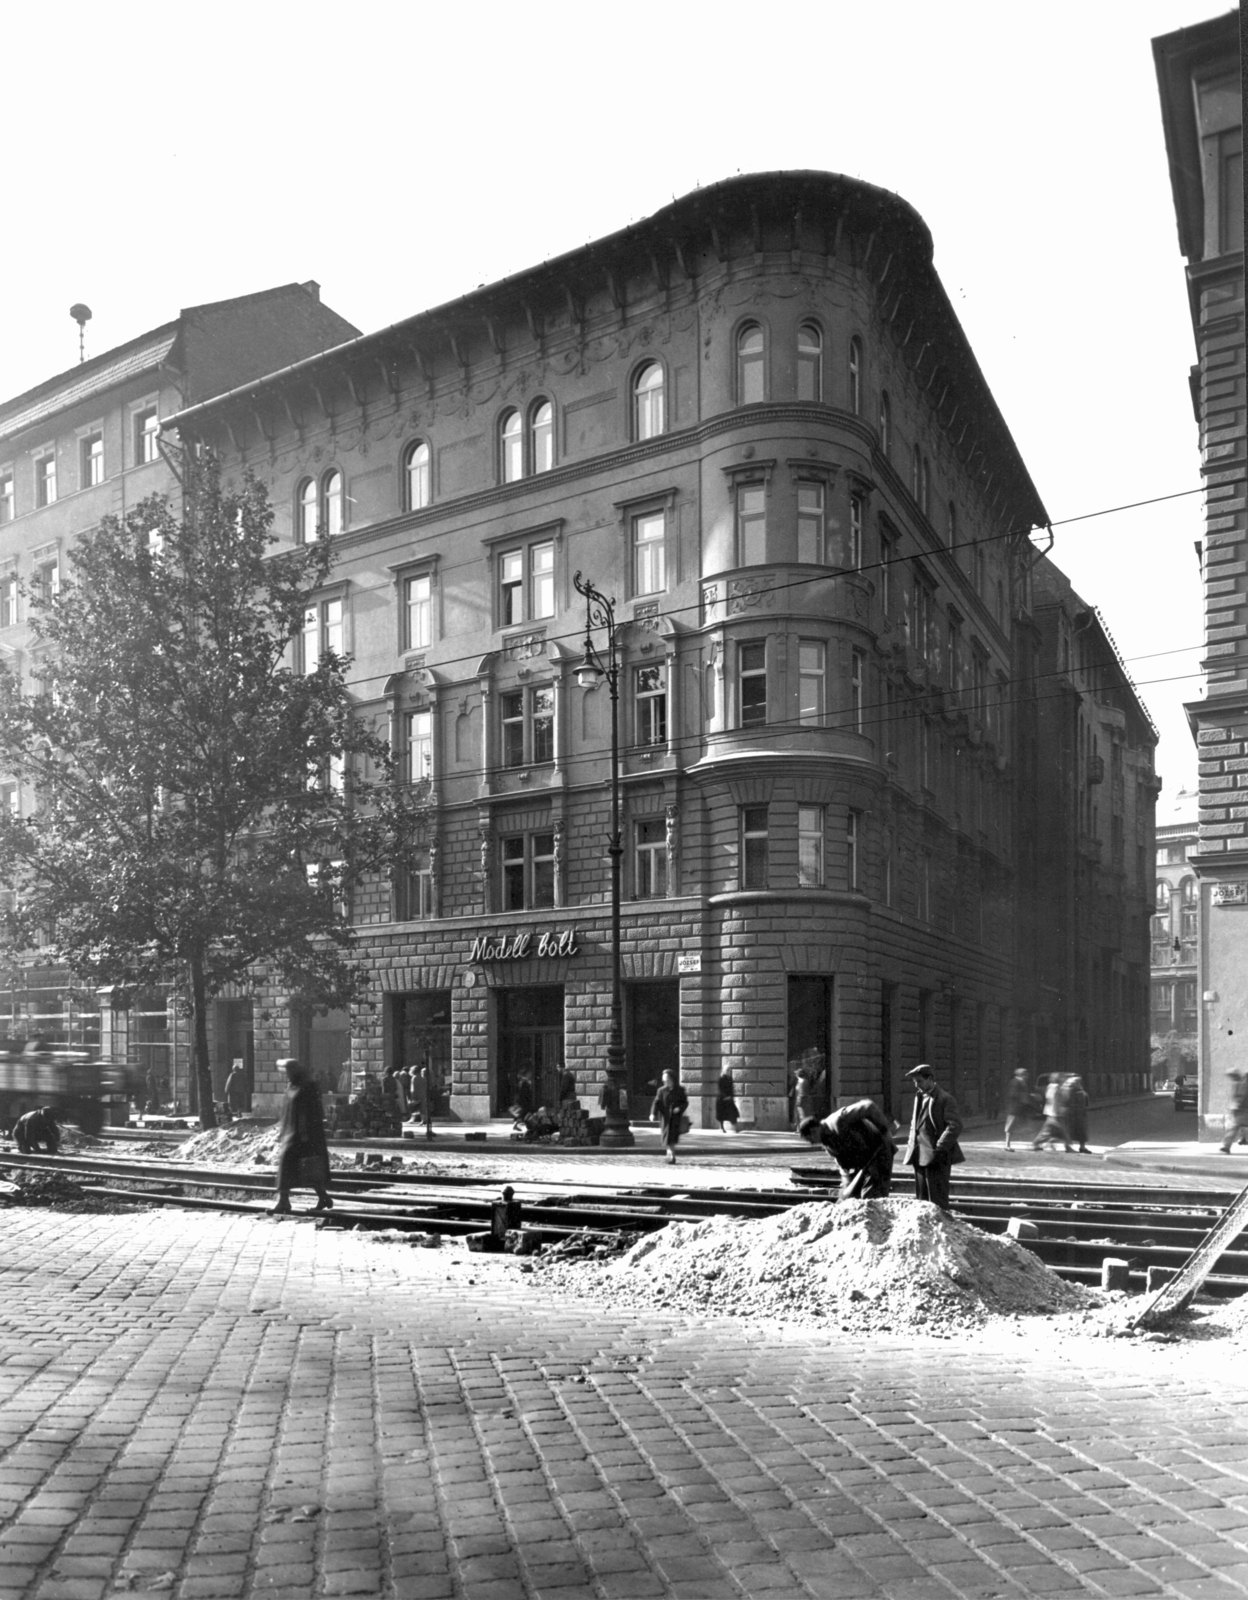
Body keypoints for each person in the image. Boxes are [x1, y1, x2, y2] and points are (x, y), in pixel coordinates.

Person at [798, 1098, 895, 1197]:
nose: (812, 1143)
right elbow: (844, 1169)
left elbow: (868, 1106)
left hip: (880, 1151)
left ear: (814, 1131)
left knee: (871, 1195)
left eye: (811, 1140)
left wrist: (884, 1129)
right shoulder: (828, 1145)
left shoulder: (839, 1119)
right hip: (865, 1162)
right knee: (854, 1197)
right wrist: (846, 1189)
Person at [272, 1058, 333, 1215]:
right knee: (299, 1168)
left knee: (298, 1166)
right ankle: (322, 1197)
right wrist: (282, 1131)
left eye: (287, 1071)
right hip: (292, 1134)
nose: (285, 1074)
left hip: (306, 1136)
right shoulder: (292, 1085)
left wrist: (306, 1135)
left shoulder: (308, 1086)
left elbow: (313, 1112)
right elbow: (287, 1111)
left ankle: (284, 1202)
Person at [902, 1064, 964, 1210]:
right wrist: (911, 1143)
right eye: (915, 1082)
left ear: (930, 1079)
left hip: (936, 1157)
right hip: (918, 1155)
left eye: (919, 1081)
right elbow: (915, 1123)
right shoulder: (918, 1096)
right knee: (921, 1201)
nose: (916, 1085)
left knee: (937, 1202)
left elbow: (955, 1125)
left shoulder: (945, 1098)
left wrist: (939, 1148)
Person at [650, 1068, 689, 1165]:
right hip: (665, 1118)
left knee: (671, 1138)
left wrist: (679, 1108)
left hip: (675, 1117)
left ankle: (672, 1156)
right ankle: (670, 1154)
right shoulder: (661, 1090)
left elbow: (685, 1102)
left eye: (667, 1079)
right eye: (664, 1080)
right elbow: (656, 1102)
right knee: (667, 1138)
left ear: (672, 1079)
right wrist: (652, 1113)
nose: (665, 1082)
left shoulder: (680, 1090)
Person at [1032, 1071, 1072, 1152]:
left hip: (1052, 1112)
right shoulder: (1055, 1087)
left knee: (1048, 1131)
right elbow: (1055, 1100)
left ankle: (1037, 1143)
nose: (1062, 1079)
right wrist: (1059, 1110)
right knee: (1062, 1130)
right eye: (1060, 1077)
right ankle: (1067, 1146)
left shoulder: (1052, 1087)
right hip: (1055, 1113)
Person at [1003, 1068, 1032, 1151]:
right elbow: (1012, 1094)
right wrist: (1024, 1096)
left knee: (1016, 1125)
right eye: (1025, 1074)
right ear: (1021, 1074)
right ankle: (1007, 1145)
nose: (1027, 1076)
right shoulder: (1015, 1082)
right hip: (1014, 1107)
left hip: (1019, 1107)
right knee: (1010, 1126)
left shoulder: (1022, 1082)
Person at [1220, 1071, 1248, 1153]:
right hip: (1242, 1109)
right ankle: (1228, 1145)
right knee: (1235, 1127)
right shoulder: (1241, 1085)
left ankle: (1227, 1145)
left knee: (1234, 1127)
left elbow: (1237, 1097)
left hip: (1238, 1109)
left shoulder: (1239, 1085)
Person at [1064, 1075, 1091, 1153]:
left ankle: (1068, 1146)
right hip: (1080, 1115)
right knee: (1081, 1132)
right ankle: (1081, 1147)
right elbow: (1087, 1104)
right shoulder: (1082, 1093)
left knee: (1070, 1131)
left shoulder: (1069, 1091)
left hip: (1072, 1115)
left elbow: (1066, 1102)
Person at [715, 1069, 740, 1133]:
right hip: (722, 1099)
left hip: (729, 1099)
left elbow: (732, 1089)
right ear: (724, 1071)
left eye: (729, 1070)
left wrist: (731, 1097)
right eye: (727, 1070)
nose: (728, 1071)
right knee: (721, 1115)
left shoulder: (730, 1079)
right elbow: (720, 1089)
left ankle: (735, 1127)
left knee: (733, 1113)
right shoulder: (721, 1079)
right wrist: (725, 1096)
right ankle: (722, 1128)